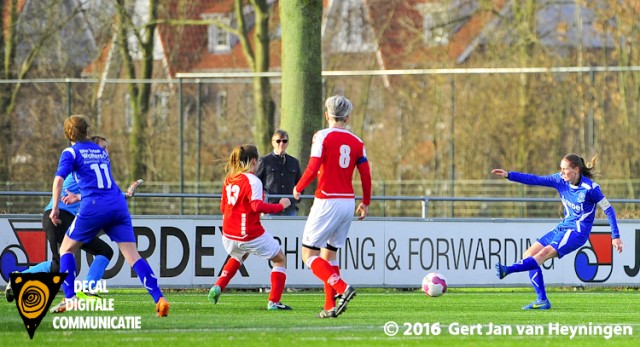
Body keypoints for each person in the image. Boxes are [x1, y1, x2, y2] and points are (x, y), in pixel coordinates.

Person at [50, 115, 169, 317]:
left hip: (94, 206)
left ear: (67, 134)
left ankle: (70, 298)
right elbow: (100, 182)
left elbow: (59, 180)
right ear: (87, 131)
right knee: (133, 256)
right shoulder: (99, 150)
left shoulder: (70, 152)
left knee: (66, 249)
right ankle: (159, 299)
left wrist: (55, 207)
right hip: (117, 205)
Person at [4, 136, 142, 305]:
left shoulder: (92, 172)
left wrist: (125, 195)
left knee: (66, 263)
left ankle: (21, 279)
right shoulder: (83, 170)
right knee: (85, 258)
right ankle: (85, 289)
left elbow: (101, 195)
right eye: (103, 147)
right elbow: (94, 194)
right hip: (59, 218)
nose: (106, 152)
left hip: (64, 219)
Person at [492, 154, 623, 310]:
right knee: (528, 255)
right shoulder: (560, 180)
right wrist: (509, 175)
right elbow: (535, 179)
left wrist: (615, 236)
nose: (561, 173)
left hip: (577, 233)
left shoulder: (591, 188)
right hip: (562, 228)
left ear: (576, 170)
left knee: (542, 255)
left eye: (565, 169)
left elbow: (609, 210)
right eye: (560, 169)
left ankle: (507, 269)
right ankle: (542, 300)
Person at [293, 95, 371, 318]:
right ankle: (330, 306)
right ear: (347, 117)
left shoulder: (321, 137)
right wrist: (365, 202)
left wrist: (298, 187)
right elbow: (366, 176)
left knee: (308, 254)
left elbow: (313, 165)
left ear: (327, 115)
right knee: (329, 255)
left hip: (327, 200)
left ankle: (342, 288)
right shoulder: (357, 142)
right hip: (348, 202)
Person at [208, 144, 293, 310]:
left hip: (228, 234)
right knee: (280, 259)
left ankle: (218, 286)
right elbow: (256, 206)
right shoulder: (253, 181)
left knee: (239, 256)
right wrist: (280, 206)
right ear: (254, 161)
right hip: (248, 233)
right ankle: (274, 302)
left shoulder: (229, 179)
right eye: (258, 161)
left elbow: (223, 208)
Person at [255, 130, 302, 216]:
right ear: (273, 143)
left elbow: (300, 184)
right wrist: (265, 200)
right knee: (269, 229)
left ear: (287, 143)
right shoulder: (265, 161)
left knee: (290, 230)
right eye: (278, 141)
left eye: (284, 141)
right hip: (270, 208)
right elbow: (256, 183)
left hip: (290, 209)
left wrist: (294, 200)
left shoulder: (294, 162)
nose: (281, 144)